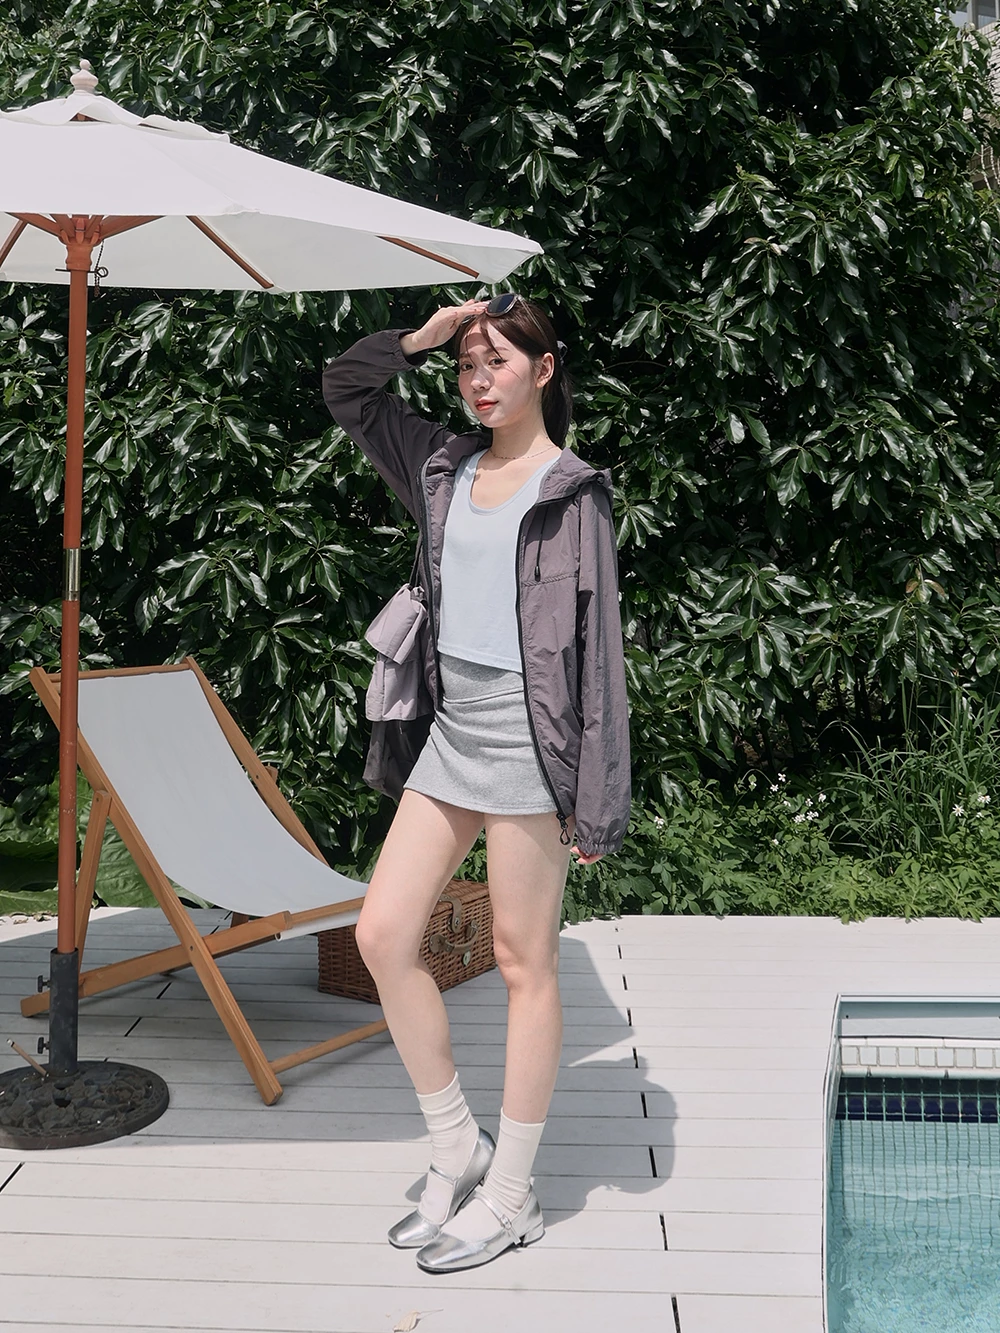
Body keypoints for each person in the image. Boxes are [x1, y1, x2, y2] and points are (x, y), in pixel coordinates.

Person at [322, 293, 630, 1273]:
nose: (479, 379)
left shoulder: (574, 494)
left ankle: (512, 1194)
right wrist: (417, 338)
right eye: (466, 365)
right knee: (381, 934)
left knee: (521, 961)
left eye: (497, 360)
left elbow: (599, 659)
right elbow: (347, 390)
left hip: (535, 750)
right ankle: (456, 1142)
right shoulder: (441, 467)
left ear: (544, 368)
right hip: (452, 736)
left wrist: (597, 799)